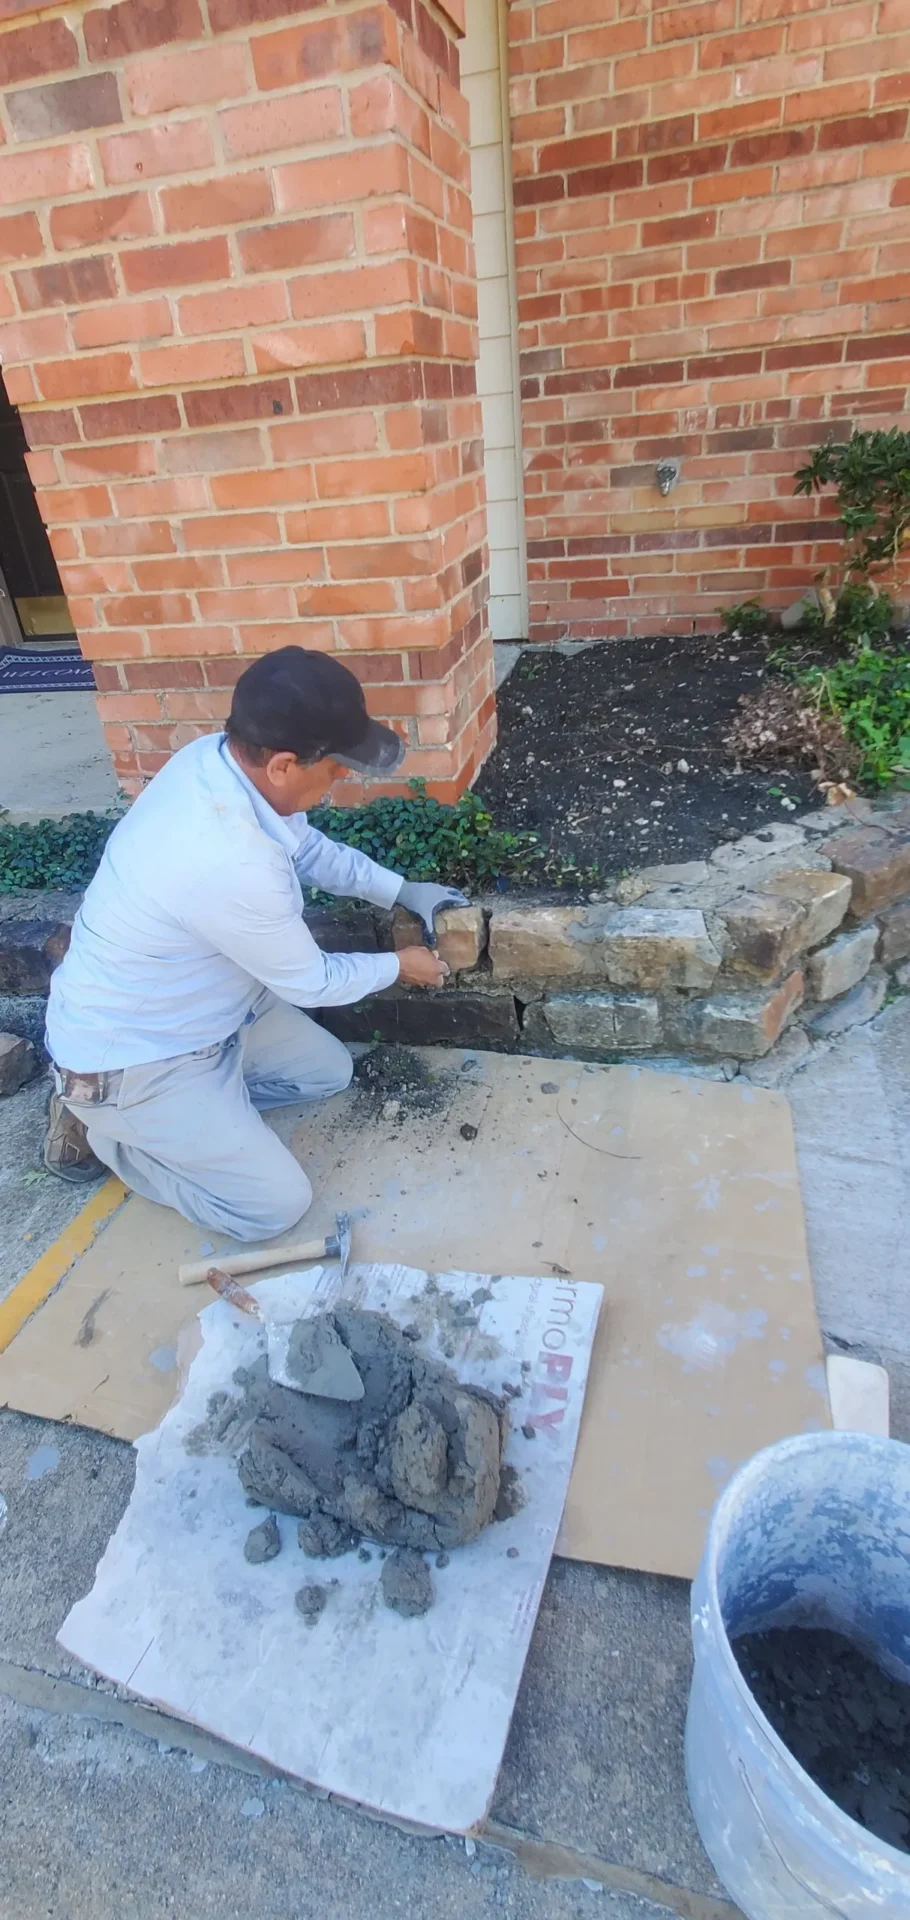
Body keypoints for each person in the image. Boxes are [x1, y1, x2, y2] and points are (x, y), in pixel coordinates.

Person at [44, 646, 466, 1240]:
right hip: (135, 1060)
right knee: (272, 1207)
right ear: (285, 764)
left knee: (326, 1073)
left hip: (214, 1014)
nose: (343, 776)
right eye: (338, 765)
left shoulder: (218, 762)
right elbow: (309, 981)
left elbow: (309, 849)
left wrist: (404, 889)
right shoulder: (226, 857)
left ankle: (197, 1124)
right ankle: (111, 1133)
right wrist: (401, 965)